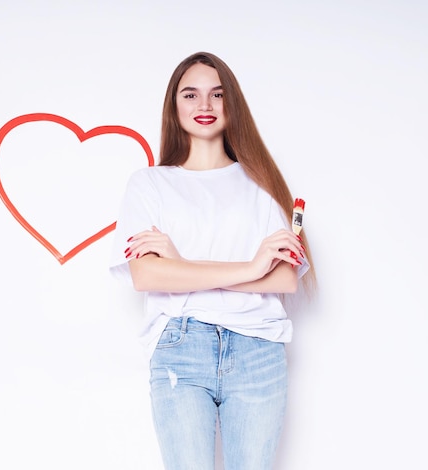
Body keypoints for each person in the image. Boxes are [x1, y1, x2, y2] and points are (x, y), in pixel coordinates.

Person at [109, 51, 315, 470]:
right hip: (182, 347)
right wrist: (251, 268)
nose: (204, 105)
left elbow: (284, 281)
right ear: (174, 105)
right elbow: (146, 274)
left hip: (259, 348)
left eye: (217, 94)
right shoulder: (150, 184)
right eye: (191, 94)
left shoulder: (264, 185)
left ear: (232, 103)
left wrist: (182, 265)